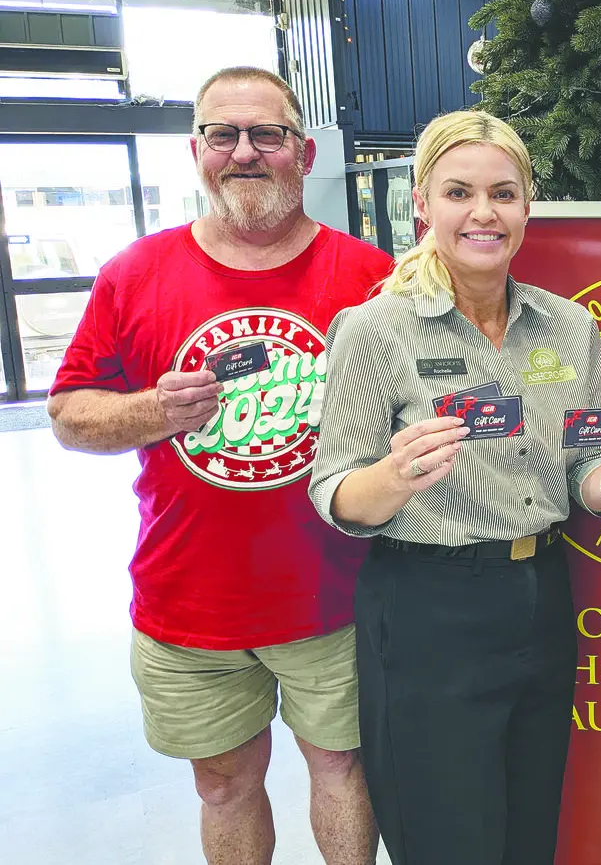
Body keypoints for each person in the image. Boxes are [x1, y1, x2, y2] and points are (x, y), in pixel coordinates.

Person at [48, 66, 391, 865]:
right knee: (222, 783)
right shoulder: (133, 274)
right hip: (189, 596)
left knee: (343, 766)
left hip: (338, 590)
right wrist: (151, 412)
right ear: (196, 151)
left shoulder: (372, 279)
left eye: (266, 134)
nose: (244, 152)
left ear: (303, 153)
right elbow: (68, 413)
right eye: (222, 135)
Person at [308, 109, 601, 865]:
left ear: (527, 205)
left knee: (529, 832)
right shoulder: (376, 330)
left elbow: (582, 470)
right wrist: (395, 476)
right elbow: (334, 492)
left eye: (503, 193)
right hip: (427, 609)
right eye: (459, 192)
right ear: (421, 204)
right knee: (447, 840)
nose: (482, 212)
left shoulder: (571, 328)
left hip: (540, 596)